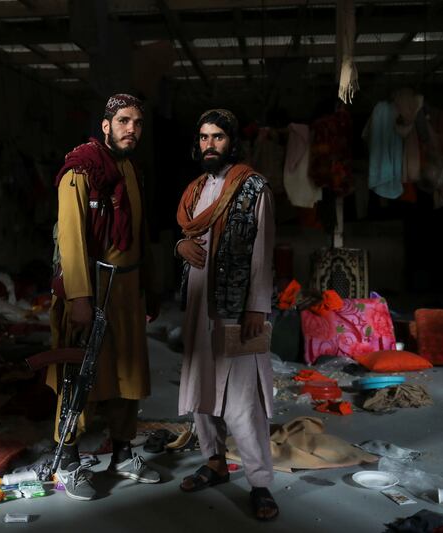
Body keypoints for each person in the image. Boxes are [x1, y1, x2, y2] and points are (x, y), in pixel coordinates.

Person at [48, 94, 160, 501]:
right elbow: (72, 237)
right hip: (93, 288)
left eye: (138, 123)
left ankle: (123, 453)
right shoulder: (81, 170)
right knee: (80, 374)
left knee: (128, 371)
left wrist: (150, 286)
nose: (132, 129)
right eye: (124, 121)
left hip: (128, 289)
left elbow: (140, 234)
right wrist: (79, 297)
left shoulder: (130, 168)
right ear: (106, 125)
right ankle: (70, 461)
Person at [175, 109, 278, 521]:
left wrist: (258, 305)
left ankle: (260, 483)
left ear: (231, 142)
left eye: (217, 137)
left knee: (241, 401)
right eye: (203, 137)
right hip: (198, 303)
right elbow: (187, 237)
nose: (209, 145)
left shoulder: (254, 188)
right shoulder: (195, 190)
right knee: (202, 393)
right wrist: (178, 249)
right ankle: (214, 463)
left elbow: (264, 250)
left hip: (238, 308)